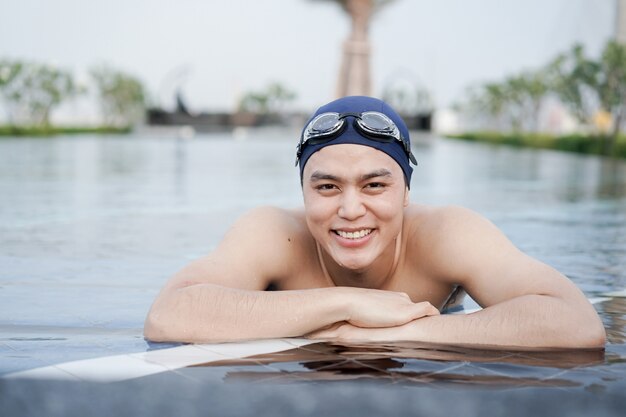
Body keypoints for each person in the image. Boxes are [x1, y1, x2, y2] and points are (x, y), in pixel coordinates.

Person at [144, 96, 606, 349]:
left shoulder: (447, 234)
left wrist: (401, 333)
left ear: (406, 191)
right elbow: (168, 315)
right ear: (303, 193)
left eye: (373, 186)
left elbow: (577, 325)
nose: (349, 209)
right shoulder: (273, 232)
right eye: (326, 187)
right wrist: (347, 302)